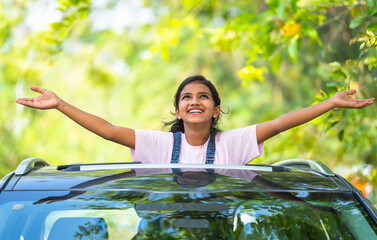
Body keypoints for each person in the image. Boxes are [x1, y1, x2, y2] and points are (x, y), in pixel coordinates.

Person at [16, 75, 375, 165]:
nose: (195, 101)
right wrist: (60, 104)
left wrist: (330, 103)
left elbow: (282, 122)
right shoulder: (157, 144)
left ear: (216, 109)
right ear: (178, 111)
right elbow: (108, 130)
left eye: (203, 96)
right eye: (186, 97)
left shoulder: (232, 143)